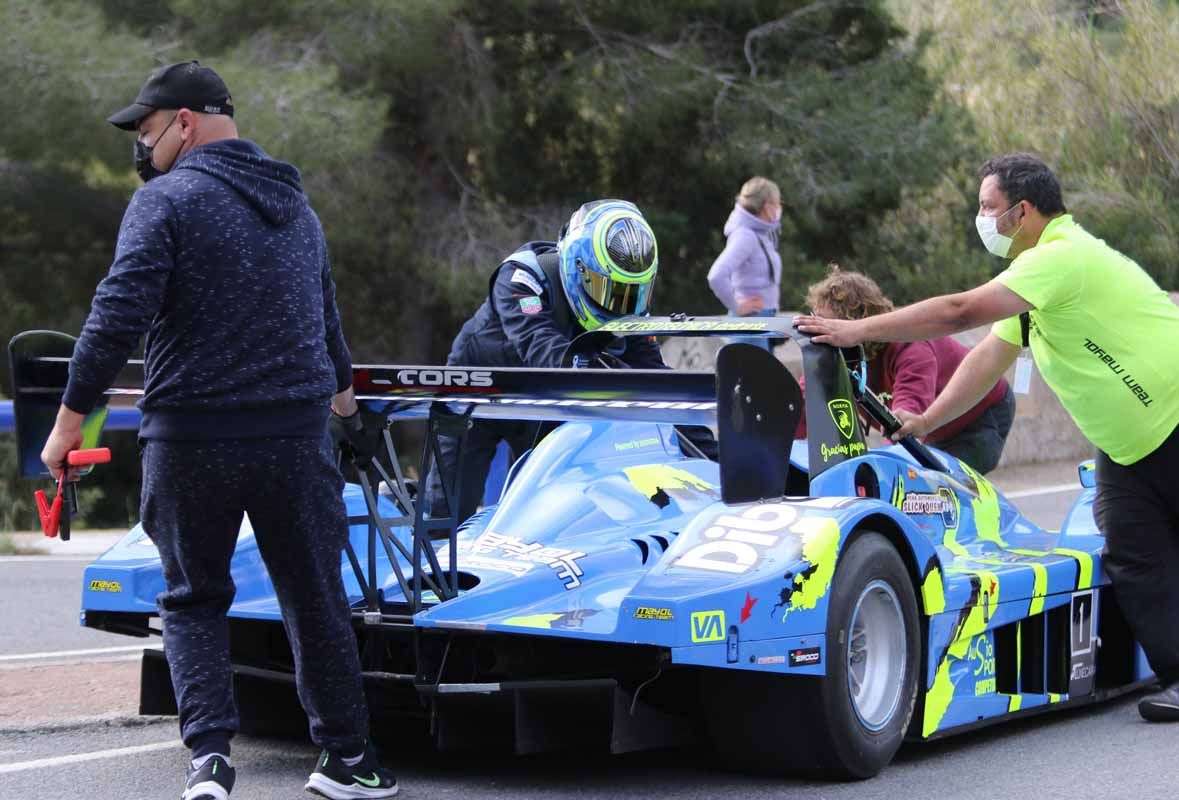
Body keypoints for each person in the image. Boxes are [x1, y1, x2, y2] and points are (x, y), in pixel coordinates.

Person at [38, 61, 398, 799]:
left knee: (194, 598)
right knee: (315, 597)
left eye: (144, 131)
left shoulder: (166, 201)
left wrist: (68, 425)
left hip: (192, 438)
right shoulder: (297, 207)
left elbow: (114, 318)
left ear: (185, 124)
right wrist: (349, 417)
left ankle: (209, 761)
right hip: (295, 440)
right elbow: (329, 329)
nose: (141, 148)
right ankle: (348, 761)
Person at [793, 152, 1179, 721]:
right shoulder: (1034, 277)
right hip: (1128, 444)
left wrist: (854, 330)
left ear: (1023, 210)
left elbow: (960, 312)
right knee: (1138, 557)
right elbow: (990, 354)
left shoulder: (1062, 256)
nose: (981, 219)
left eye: (987, 208)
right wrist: (926, 423)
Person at [432, 199, 716, 518]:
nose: (619, 306)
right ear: (577, 267)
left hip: (545, 404)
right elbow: (548, 358)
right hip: (479, 394)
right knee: (448, 511)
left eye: (630, 293)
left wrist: (720, 467)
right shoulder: (521, 279)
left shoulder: (629, 310)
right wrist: (618, 378)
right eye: (607, 290)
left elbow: (661, 387)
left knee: (542, 513)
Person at [800, 266, 1014, 473]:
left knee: (942, 490)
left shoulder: (911, 349)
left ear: (856, 324)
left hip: (980, 416)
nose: (822, 337)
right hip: (931, 427)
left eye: (831, 326)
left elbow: (906, 418)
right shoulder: (834, 353)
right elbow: (804, 403)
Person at [707, 176, 783, 349]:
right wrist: (737, 306)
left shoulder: (760, 233)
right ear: (768, 207)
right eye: (779, 203)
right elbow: (716, 276)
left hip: (761, 324)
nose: (780, 208)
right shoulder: (745, 235)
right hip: (750, 326)